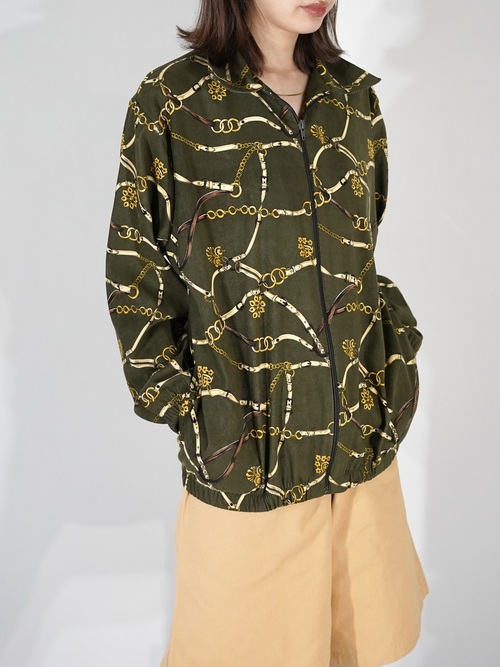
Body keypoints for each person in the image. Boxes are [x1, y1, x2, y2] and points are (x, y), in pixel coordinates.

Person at [105, 0, 430, 665]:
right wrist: (198, 411)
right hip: (247, 464)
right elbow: (135, 277)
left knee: (357, 649)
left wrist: (388, 376)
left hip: (359, 455)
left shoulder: (354, 102)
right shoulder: (174, 102)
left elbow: (360, 255)